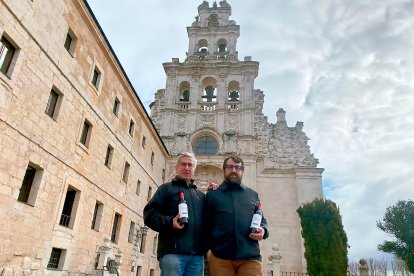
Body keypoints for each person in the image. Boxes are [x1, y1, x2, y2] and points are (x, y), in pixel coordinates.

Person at [205, 156, 269, 276]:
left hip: (250, 258)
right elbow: (205, 224)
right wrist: (208, 251)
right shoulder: (213, 195)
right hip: (220, 258)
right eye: (229, 167)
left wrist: (264, 231)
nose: (233, 170)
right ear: (224, 170)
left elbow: (262, 220)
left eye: (237, 167)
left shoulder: (253, 195)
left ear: (242, 171)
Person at [143, 152, 205, 276]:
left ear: (194, 169)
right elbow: (149, 215)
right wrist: (170, 222)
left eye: (190, 165)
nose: (187, 168)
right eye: (183, 164)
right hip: (172, 254)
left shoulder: (200, 195)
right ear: (176, 168)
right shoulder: (166, 189)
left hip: (197, 256)